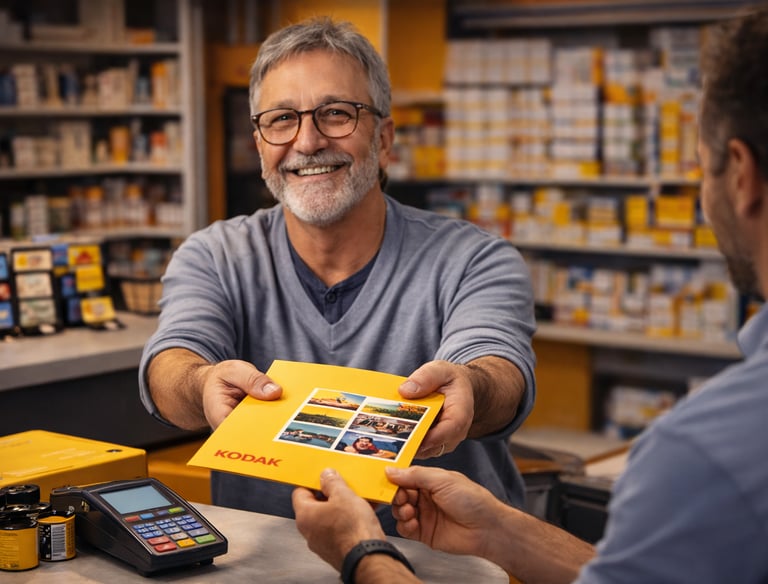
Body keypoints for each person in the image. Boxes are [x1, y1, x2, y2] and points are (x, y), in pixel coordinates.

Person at [292, 9, 768, 583]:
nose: (308, 139)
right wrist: (501, 532)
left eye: (700, 167)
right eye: (282, 119)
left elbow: (494, 355)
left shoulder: (703, 456)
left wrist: (362, 552)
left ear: (739, 175)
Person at [138, 17, 536, 534]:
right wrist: (202, 383)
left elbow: (499, 369)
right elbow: (171, 360)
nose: (307, 141)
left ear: (385, 137)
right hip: (267, 567)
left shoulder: (474, 259)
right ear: (260, 143)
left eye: (335, 113)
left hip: (440, 567)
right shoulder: (215, 255)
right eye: (281, 119)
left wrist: (472, 387)